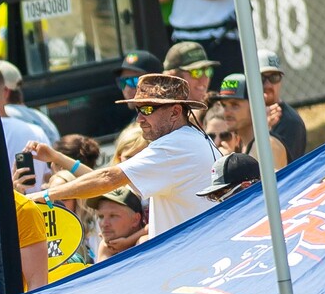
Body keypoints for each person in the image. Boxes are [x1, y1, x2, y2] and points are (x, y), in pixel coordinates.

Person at [32, 73, 217, 238]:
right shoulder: (192, 139)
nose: (139, 119)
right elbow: (112, 186)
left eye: (147, 109)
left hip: (191, 261)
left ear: (175, 111)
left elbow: (108, 179)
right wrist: (57, 158)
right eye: (138, 110)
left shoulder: (174, 145)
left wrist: (45, 196)